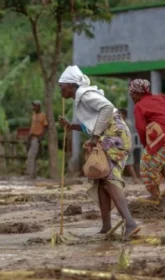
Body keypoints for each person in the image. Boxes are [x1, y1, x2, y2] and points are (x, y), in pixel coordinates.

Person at [57, 65, 139, 239]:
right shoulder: (80, 98)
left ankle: (131, 224)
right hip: (109, 136)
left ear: (71, 85)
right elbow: (95, 122)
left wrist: (94, 137)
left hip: (115, 137)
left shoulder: (86, 95)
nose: (60, 90)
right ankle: (106, 226)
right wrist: (71, 126)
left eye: (61, 86)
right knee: (101, 181)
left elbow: (107, 109)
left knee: (109, 180)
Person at [25, 100, 48, 179]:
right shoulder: (34, 115)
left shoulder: (42, 115)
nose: (33, 107)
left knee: (31, 156)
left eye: (35, 106)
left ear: (38, 106)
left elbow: (45, 127)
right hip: (32, 138)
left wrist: (40, 137)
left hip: (36, 138)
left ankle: (30, 174)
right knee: (33, 156)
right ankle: (33, 174)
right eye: (33, 106)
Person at [119, 108, 141, 184]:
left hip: (127, 146)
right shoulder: (121, 123)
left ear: (124, 115)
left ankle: (135, 179)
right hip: (120, 146)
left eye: (120, 114)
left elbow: (129, 136)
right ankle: (120, 179)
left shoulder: (127, 123)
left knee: (129, 164)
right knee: (120, 163)